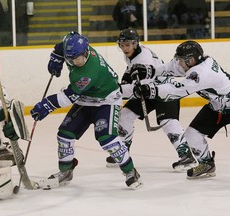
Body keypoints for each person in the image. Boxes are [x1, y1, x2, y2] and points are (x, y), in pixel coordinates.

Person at [30, 31, 142, 190]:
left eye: (78, 58)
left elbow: (67, 97)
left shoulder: (89, 72)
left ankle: (130, 171)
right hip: (85, 98)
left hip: (106, 100)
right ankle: (65, 171)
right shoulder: (75, 48)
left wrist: (46, 105)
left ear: (86, 51)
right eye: (71, 59)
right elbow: (62, 46)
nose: (76, 61)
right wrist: (56, 56)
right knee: (64, 134)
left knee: (106, 138)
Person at [132, 40, 229, 178]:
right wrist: (150, 71)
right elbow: (171, 67)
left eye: (182, 60)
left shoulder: (201, 72)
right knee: (192, 134)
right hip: (218, 106)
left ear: (191, 59)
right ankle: (207, 164)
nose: (179, 63)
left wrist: (150, 90)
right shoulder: (195, 63)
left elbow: (177, 90)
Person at [105, 28, 198, 172]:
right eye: (122, 45)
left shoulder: (144, 57)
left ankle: (187, 156)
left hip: (165, 89)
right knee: (126, 114)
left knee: (167, 121)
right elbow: (132, 70)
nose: (124, 48)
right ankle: (123, 153)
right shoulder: (131, 53)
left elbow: (137, 89)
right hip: (148, 89)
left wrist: (118, 90)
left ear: (136, 44)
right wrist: (125, 80)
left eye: (128, 45)